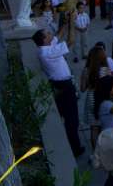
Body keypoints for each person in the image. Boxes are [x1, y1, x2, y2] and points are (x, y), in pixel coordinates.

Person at [32, 29, 84, 157]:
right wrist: (72, 19)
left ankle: (70, 143)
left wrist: (67, 22)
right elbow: (71, 40)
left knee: (64, 114)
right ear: (44, 40)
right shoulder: (47, 52)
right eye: (48, 34)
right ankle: (75, 148)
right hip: (64, 87)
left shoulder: (47, 47)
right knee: (72, 118)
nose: (51, 34)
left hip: (60, 85)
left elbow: (58, 36)